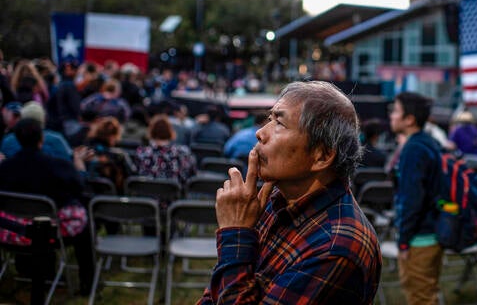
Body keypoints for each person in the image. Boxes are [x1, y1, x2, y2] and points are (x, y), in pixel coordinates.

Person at [199, 81, 381, 304]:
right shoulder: (276, 200)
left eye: (279, 124)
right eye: (269, 119)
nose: (260, 133)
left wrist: (235, 234)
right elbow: (219, 292)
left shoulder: (336, 247)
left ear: (322, 156)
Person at [0, 118, 94, 295]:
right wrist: (79, 163)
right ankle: (87, 284)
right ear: (41, 139)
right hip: (50, 233)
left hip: (13, 232)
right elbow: (79, 187)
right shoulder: (58, 167)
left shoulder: (5, 168)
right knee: (84, 224)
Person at [389, 92, 442, 305]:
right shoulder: (428, 142)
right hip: (432, 233)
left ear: (409, 119)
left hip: (419, 238)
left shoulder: (412, 149)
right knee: (428, 293)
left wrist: (403, 242)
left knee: (420, 297)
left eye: (395, 111)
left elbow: (412, 200)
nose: (391, 116)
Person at [134, 114, 196, 185]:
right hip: (173, 193)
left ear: (151, 131)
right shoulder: (182, 153)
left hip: (147, 193)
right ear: (170, 131)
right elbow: (191, 175)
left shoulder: (142, 152)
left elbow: (137, 173)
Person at [0, 101, 72, 161]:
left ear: (21, 119)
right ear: (43, 119)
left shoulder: (8, 141)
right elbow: (68, 162)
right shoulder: (57, 139)